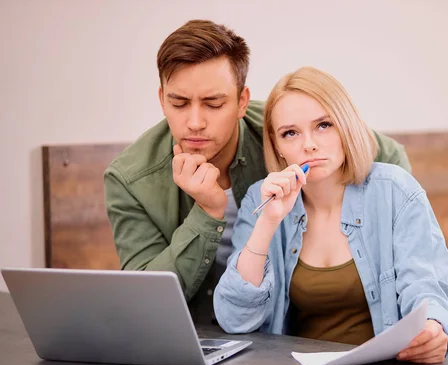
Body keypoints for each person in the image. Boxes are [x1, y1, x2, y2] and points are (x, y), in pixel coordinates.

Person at [103, 20, 412, 322]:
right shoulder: (129, 180)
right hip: (192, 335)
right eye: (180, 103)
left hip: (279, 333)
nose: (195, 122)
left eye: (213, 103)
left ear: (241, 101)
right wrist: (207, 213)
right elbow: (144, 304)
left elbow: (383, 153)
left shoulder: (284, 127)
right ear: (162, 100)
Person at [213, 66, 448, 363]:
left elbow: (425, 286)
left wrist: (433, 328)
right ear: (277, 146)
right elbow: (234, 318)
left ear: (345, 125)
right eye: (290, 133)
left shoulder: (394, 190)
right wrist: (268, 222)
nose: (308, 144)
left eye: (323, 125)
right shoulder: (261, 198)